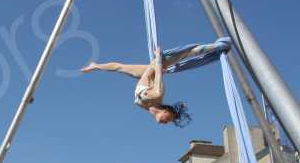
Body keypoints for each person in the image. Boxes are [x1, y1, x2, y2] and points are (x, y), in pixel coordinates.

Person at [81, 39, 231, 126]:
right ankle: (219, 45)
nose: (167, 123)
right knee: (187, 53)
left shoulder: (149, 108)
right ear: (166, 111)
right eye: (169, 119)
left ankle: (95, 65)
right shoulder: (157, 95)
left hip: (145, 75)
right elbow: (158, 73)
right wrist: (159, 57)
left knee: (120, 67)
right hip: (157, 65)